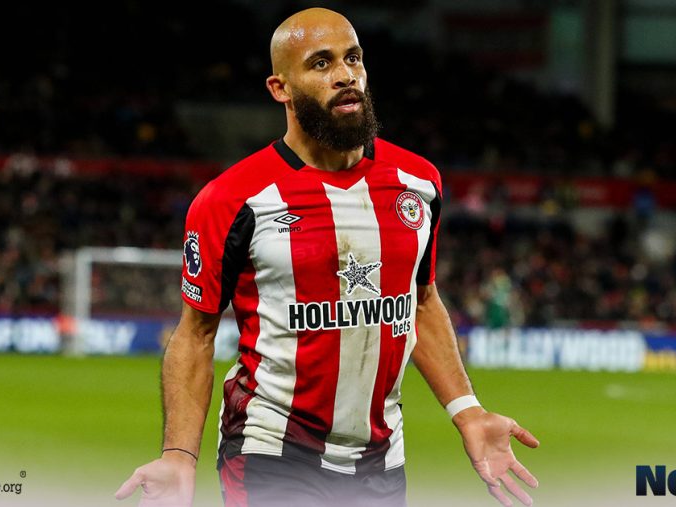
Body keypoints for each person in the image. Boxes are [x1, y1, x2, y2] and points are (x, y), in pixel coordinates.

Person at [116, 8, 539, 507]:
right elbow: (195, 334)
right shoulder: (232, 200)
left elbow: (421, 301)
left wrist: (467, 411)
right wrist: (178, 455)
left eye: (353, 58)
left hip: (381, 461)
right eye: (321, 63)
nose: (345, 75)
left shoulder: (418, 183)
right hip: (272, 449)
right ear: (280, 88)